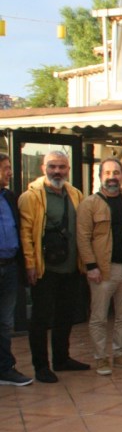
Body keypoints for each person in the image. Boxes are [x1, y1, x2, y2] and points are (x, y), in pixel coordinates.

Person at [19, 151, 87, 383]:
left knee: (65, 315)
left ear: (68, 169)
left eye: (61, 167)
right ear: (43, 168)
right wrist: (30, 264)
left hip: (71, 268)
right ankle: (41, 366)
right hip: (44, 269)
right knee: (41, 319)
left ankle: (62, 358)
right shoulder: (31, 197)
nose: (57, 171)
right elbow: (26, 234)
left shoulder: (75, 194)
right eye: (52, 166)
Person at [77, 157, 122, 376]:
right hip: (102, 269)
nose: (112, 177)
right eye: (108, 173)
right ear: (100, 176)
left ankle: (120, 353)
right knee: (99, 316)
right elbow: (83, 237)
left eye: (116, 172)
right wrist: (91, 266)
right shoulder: (89, 204)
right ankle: (101, 357)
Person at [0, 153, 30, 386]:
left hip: (9, 267)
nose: (10, 172)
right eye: (5, 168)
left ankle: (4, 368)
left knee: (5, 322)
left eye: (10, 167)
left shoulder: (10, 197)